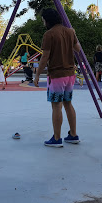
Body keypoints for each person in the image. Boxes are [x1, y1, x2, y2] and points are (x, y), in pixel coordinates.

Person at [34, 8, 81, 148]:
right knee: (68, 103)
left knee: (56, 106)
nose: (43, 23)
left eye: (43, 20)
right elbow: (78, 48)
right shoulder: (70, 31)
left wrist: (37, 75)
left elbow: (44, 57)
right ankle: (73, 135)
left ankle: (57, 138)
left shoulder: (49, 34)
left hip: (56, 75)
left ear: (48, 20)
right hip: (70, 74)